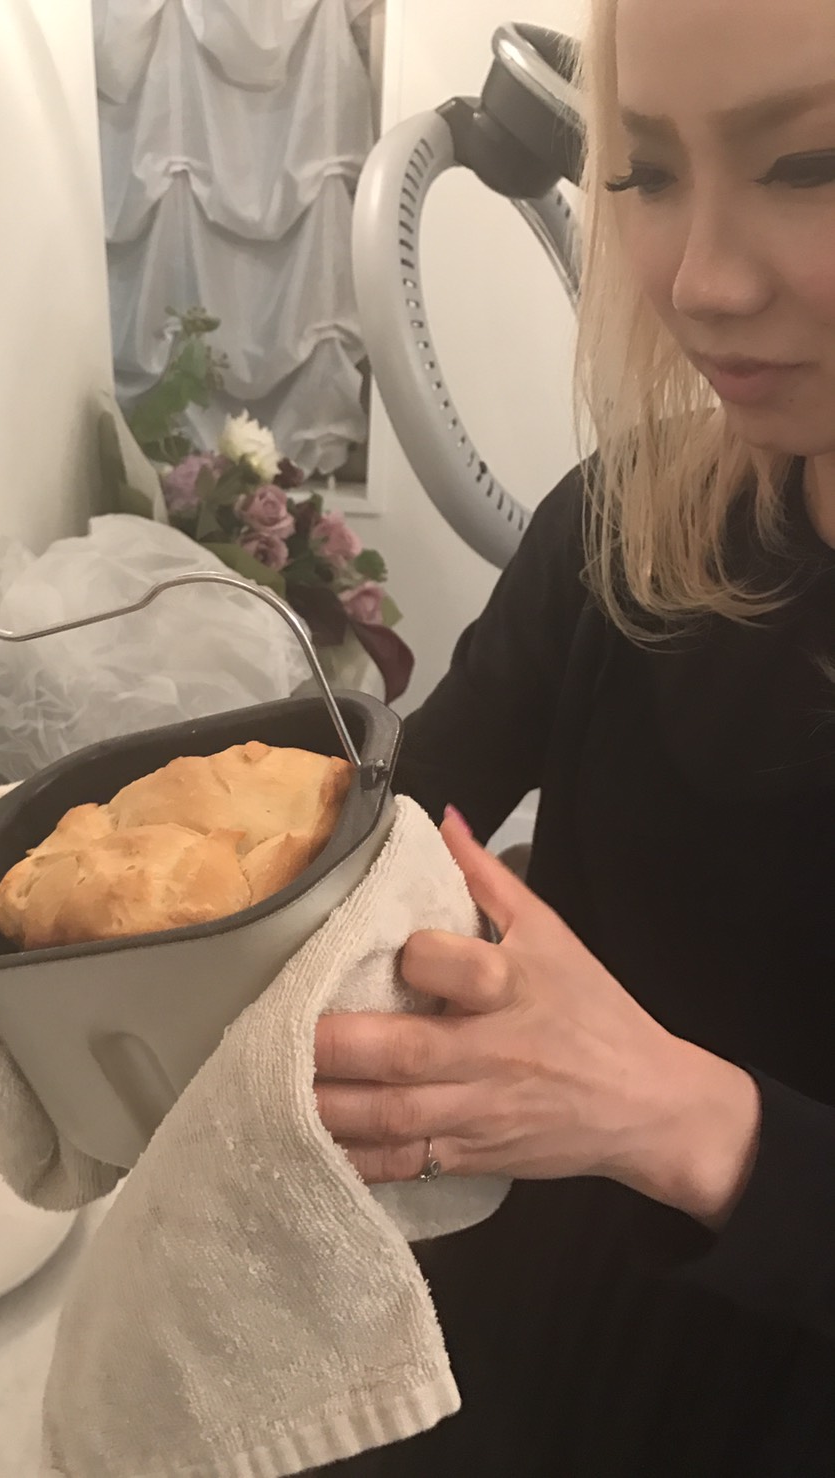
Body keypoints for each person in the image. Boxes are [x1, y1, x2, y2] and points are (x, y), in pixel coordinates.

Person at [311, 0, 835, 1471]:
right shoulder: (622, 525)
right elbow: (395, 831)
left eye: (811, 165)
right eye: (647, 172)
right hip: (510, 1311)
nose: (701, 282)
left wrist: (680, 1115)